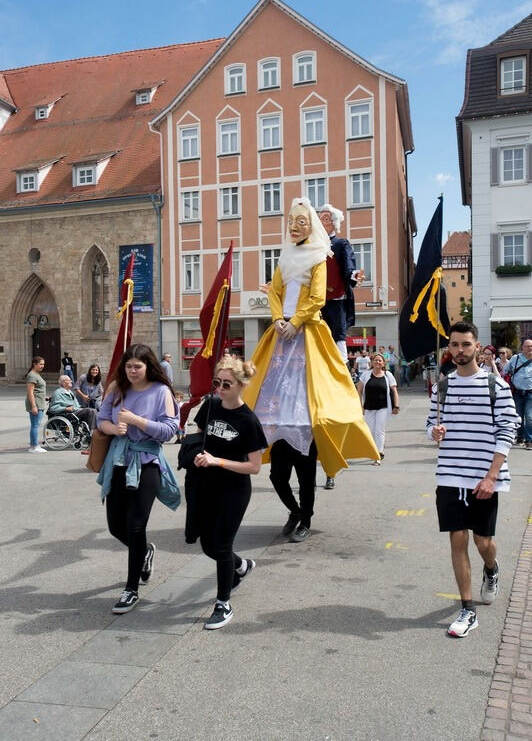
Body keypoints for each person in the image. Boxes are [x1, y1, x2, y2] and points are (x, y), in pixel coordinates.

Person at [244, 196, 378, 525]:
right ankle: (296, 510)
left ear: (312, 226)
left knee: (321, 384)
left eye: (301, 222)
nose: (294, 226)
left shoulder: (320, 256)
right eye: (291, 221)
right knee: (263, 383)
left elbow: (318, 297)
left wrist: (296, 321)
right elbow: (275, 291)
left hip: (307, 330)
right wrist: (278, 319)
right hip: (281, 331)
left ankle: (305, 512)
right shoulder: (284, 257)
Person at [427, 321, 519, 637]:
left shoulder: (497, 386)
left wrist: (491, 476)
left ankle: (491, 569)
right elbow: (430, 426)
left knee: (483, 542)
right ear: (448, 348)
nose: (460, 350)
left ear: (477, 346)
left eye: (466, 344)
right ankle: (468, 610)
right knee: (457, 538)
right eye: (454, 345)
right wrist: (434, 432)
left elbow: (508, 430)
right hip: (451, 474)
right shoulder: (441, 388)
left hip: (484, 477)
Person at [97, 343, 180, 615]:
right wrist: (113, 427)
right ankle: (144, 553)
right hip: (118, 461)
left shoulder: (161, 391)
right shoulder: (115, 388)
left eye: (137, 366)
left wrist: (136, 421)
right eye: (128, 366)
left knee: (135, 526)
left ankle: (131, 589)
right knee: (114, 526)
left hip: (147, 464)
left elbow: (170, 430)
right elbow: (101, 419)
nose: (132, 371)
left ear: (149, 367)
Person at [187, 354, 267, 630]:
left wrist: (217, 460)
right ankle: (241, 566)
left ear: (241, 385)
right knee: (208, 544)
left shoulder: (248, 421)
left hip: (233, 490)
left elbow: (254, 467)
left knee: (221, 546)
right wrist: (198, 455)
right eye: (217, 383)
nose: (220, 389)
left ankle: (223, 604)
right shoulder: (209, 406)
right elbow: (197, 438)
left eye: (226, 384)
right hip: (205, 484)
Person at [316, 204, 364, 363]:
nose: (321, 221)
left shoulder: (341, 244)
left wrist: (354, 274)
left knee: (339, 335)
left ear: (333, 223)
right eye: (319, 218)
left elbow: (349, 265)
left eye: (325, 218)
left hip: (337, 298)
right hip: (317, 300)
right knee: (319, 336)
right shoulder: (313, 247)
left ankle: (342, 368)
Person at [357, 353, 399, 465]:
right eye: (376, 360)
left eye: (380, 360)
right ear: (372, 362)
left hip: (383, 407)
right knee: (371, 431)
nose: (377, 362)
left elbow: (394, 391)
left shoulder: (388, 375)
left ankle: (378, 454)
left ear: (383, 363)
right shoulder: (366, 375)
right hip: (369, 407)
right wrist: (359, 405)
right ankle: (375, 449)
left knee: (379, 430)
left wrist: (396, 405)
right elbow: (359, 391)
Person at [504, 338, 532, 449]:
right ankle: (520, 437)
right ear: (522, 348)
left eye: (531, 346)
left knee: (529, 417)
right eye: (528, 346)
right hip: (517, 392)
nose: (530, 348)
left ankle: (529, 440)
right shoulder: (515, 359)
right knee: (518, 416)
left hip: (530, 393)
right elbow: (505, 371)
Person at [25, 356, 47, 453]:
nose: (42, 366)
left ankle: (33, 445)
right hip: (36, 403)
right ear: (35, 364)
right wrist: (34, 406)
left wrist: (44, 396)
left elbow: (38, 390)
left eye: (43, 364)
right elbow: (30, 392)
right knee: (35, 425)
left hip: (39, 401)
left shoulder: (36, 374)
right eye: (40, 364)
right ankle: (34, 446)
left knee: (35, 425)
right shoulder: (32, 375)